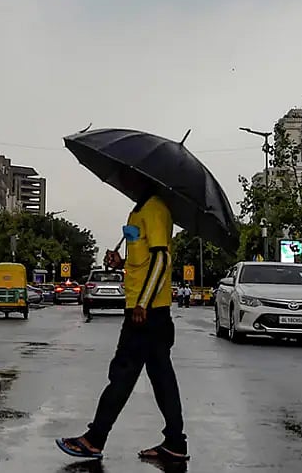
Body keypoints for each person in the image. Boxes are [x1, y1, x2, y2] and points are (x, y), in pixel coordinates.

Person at [56, 170, 188, 463]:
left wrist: (143, 302)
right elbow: (144, 259)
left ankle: (94, 439)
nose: (125, 184)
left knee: (123, 374)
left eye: (130, 179)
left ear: (144, 179)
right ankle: (175, 443)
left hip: (147, 314)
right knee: (161, 377)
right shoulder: (140, 210)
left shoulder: (155, 208)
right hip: (148, 312)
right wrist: (122, 263)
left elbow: (162, 259)